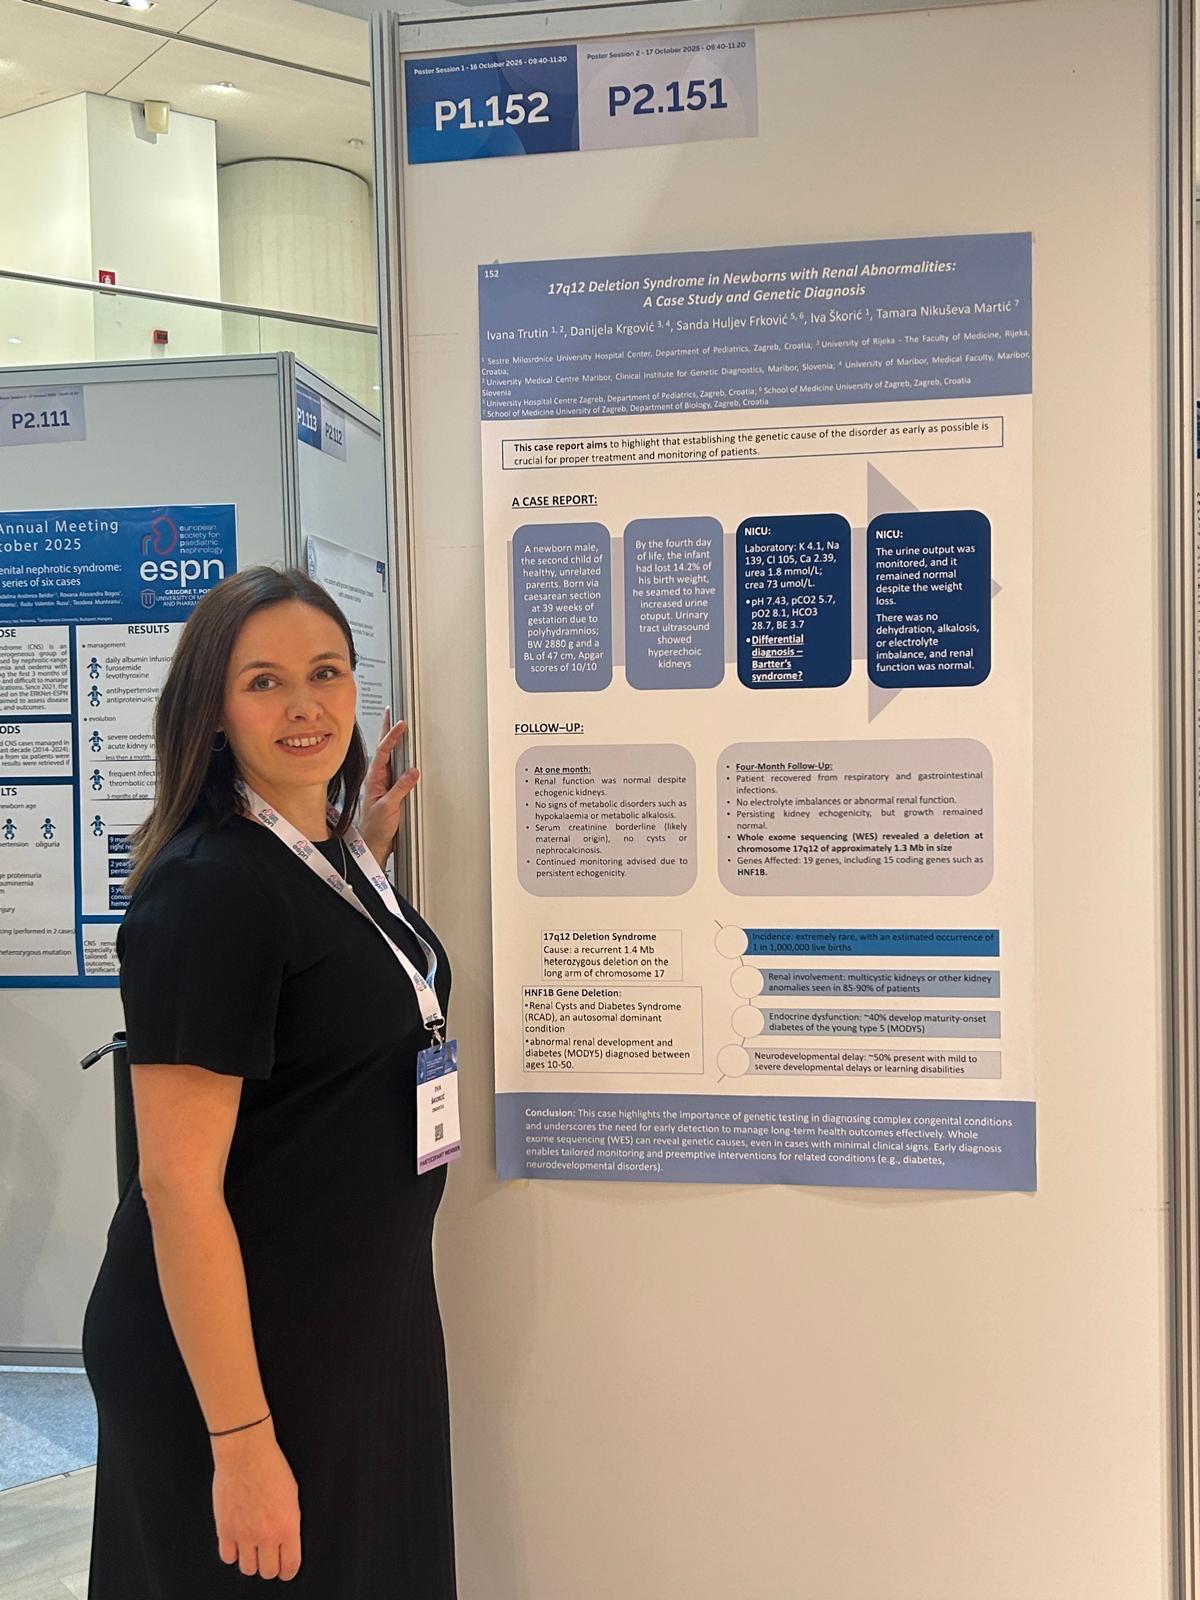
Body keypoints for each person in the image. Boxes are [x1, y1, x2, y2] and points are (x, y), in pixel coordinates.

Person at [81, 566, 456, 1595]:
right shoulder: (207, 892)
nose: (305, 705)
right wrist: (241, 1442)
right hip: (242, 1355)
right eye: (265, 682)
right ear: (211, 710)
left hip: (353, 1320)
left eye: (326, 673)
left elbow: (315, 995)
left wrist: (363, 846)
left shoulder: (323, 861)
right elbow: (176, 1185)